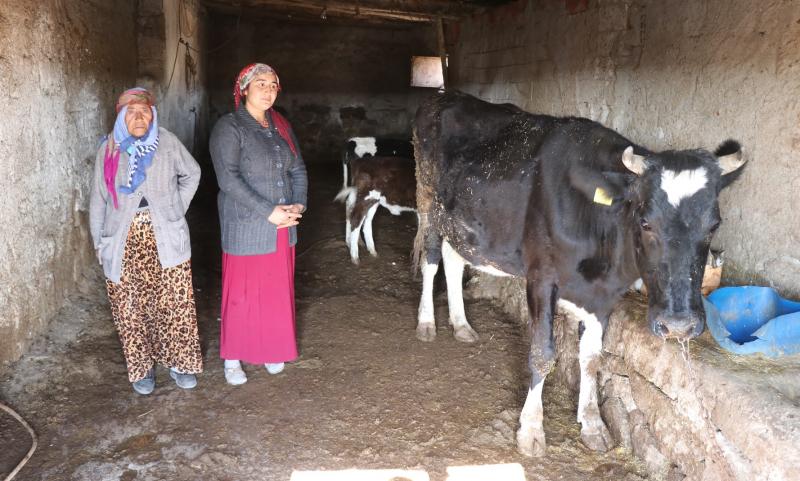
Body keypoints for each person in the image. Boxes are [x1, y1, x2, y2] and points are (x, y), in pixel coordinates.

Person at [89, 87, 203, 395]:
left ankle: (180, 363)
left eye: (144, 111)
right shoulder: (109, 149)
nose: (139, 117)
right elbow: (99, 199)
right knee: (130, 306)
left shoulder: (166, 142)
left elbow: (192, 173)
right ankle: (142, 369)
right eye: (131, 111)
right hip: (123, 240)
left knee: (175, 302)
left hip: (167, 236)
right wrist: (100, 242)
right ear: (121, 116)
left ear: (153, 114)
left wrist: (176, 207)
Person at [209, 63, 307, 385]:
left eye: (273, 85)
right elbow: (228, 180)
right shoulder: (230, 127)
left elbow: (298, 170)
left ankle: (271, 348)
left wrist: (298, 204)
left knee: (276, 291)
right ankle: (233, 357)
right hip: (247, 224)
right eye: (260, 84)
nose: (267, 90)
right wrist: (270, 210)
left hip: (282, 226)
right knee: (243, 294)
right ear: (244, 89)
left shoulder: (280, 126)